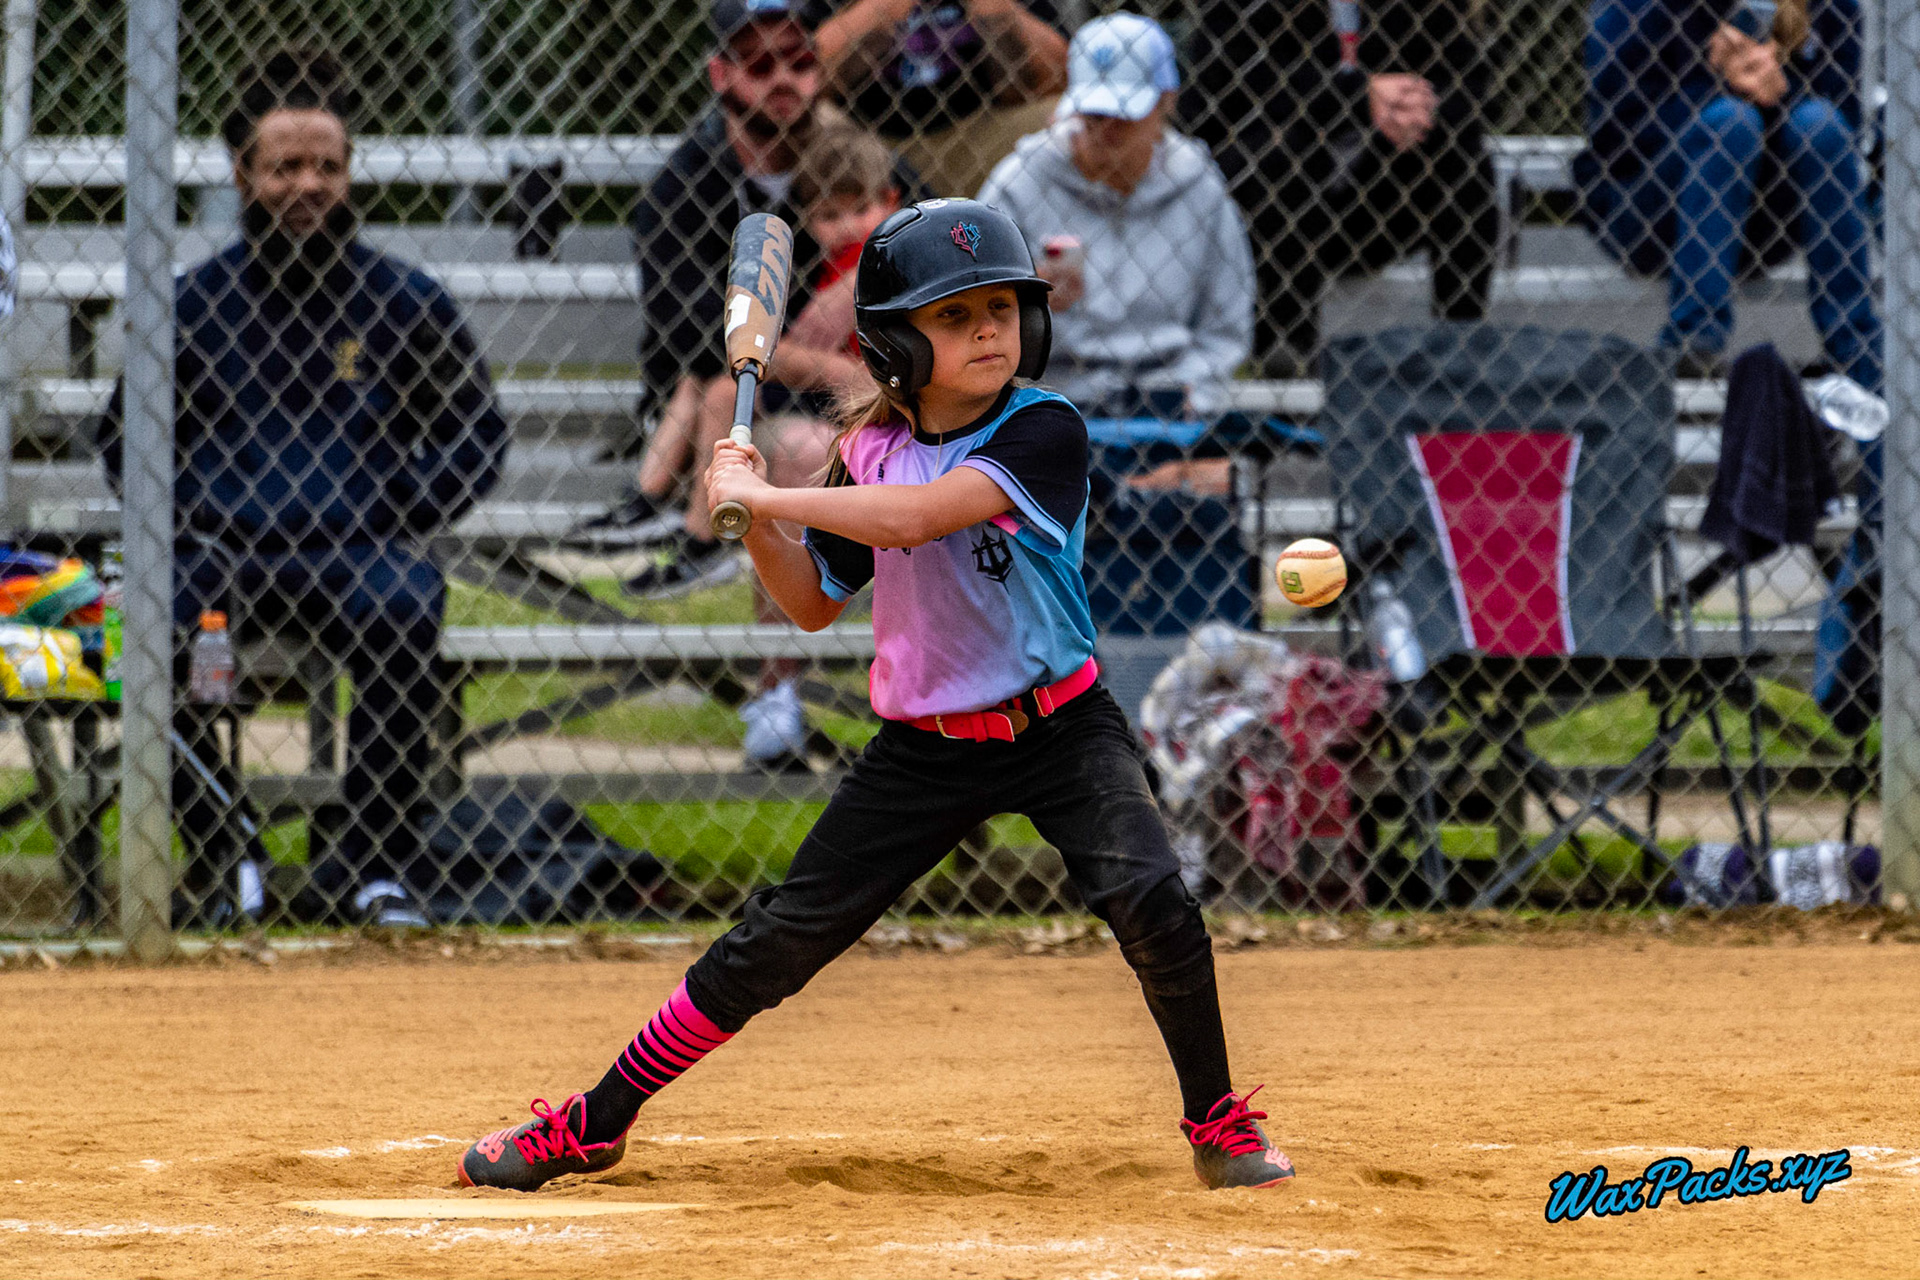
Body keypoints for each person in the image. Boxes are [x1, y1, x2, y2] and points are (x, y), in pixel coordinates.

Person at [457, 199, 1294, 1194]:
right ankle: (596, 1120)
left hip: (1059, 725)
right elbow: (812, 603)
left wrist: (771, 495)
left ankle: (1217, 1123)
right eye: (954, 316)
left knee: (1154, 898)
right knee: (775, 942)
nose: (988, 331)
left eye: (1001, 309)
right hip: (923, 747)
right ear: (896, 343)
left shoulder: (1043, 429)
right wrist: (755, 523)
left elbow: (921, 517)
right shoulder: (868, 452)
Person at [96, 49, 509, 927]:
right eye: (285, 167)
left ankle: (369, 866)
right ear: (242, 174)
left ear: (350, 171)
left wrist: (399, 499)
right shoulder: (192, 305)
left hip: (357, 550)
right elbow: (123, 439)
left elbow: (477, 433)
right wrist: (193, 511)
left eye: (327, 165)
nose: (308, 185)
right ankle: (230, 854)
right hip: (223, 554)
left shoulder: (403, 301)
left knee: (407, 604)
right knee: (144, 624)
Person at [604, 0, 922, 599]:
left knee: (803, 448)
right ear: (720, 74)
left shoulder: (852, 157)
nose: (782, 79)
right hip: (738, 393)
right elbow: (691, 335)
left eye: (798, 61)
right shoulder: (683, 187)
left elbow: (936, 237)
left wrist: (861, 277)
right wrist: (819, 364)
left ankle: (780, 652)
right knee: (741, 407)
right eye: (758, 63)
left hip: (842, 396)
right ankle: (668, 516)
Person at [1181, 0, 1500, 376]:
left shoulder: (1424, 10)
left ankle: (1462, 349)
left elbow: (1472, 90)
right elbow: (1231, 88)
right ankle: (1287, 355)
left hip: (1373, 201)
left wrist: (1414, 107)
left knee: (1467, 166)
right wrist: (1359, 96)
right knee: (1281, 156)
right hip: (1264, 210)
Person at [1574, 0, 1880, 386]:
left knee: (1821, 126)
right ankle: (1693, 342)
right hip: (1647, 210)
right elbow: (1615, 138)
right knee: (1730, 123)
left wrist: (1777, 89)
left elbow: (1847, 128)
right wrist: (1718, 86)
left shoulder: (1830, 7)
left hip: (1767, 221)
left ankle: (1856, 348)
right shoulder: (1641, 8)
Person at [978, 12, 1253, 419]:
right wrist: (1024, 304)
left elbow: (1226, 326)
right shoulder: (1020, 182)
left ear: (1166, 101)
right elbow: (978, 314)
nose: (1105, 128)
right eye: (1093, 112)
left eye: (1124, 113)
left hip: (1169, 399)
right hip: (1048, 400)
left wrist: (1196, 397)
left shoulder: (1199, 186)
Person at [735, 123, 905, 769]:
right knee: (801, 451)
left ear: (890, 202)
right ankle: (777, 690)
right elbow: (789, 350)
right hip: (839, 427)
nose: (846, 227)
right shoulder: (819, 269)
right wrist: (833, 365)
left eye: (860, 209)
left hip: (908, 428)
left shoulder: (912, 258)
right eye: (828, 215)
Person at [813, 0, 1069, 198]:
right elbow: (808, 74)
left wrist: (993, 7)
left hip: (979, 132)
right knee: (817, 117)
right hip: (869, 139)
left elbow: (1062, 76)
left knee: (1060, 114)